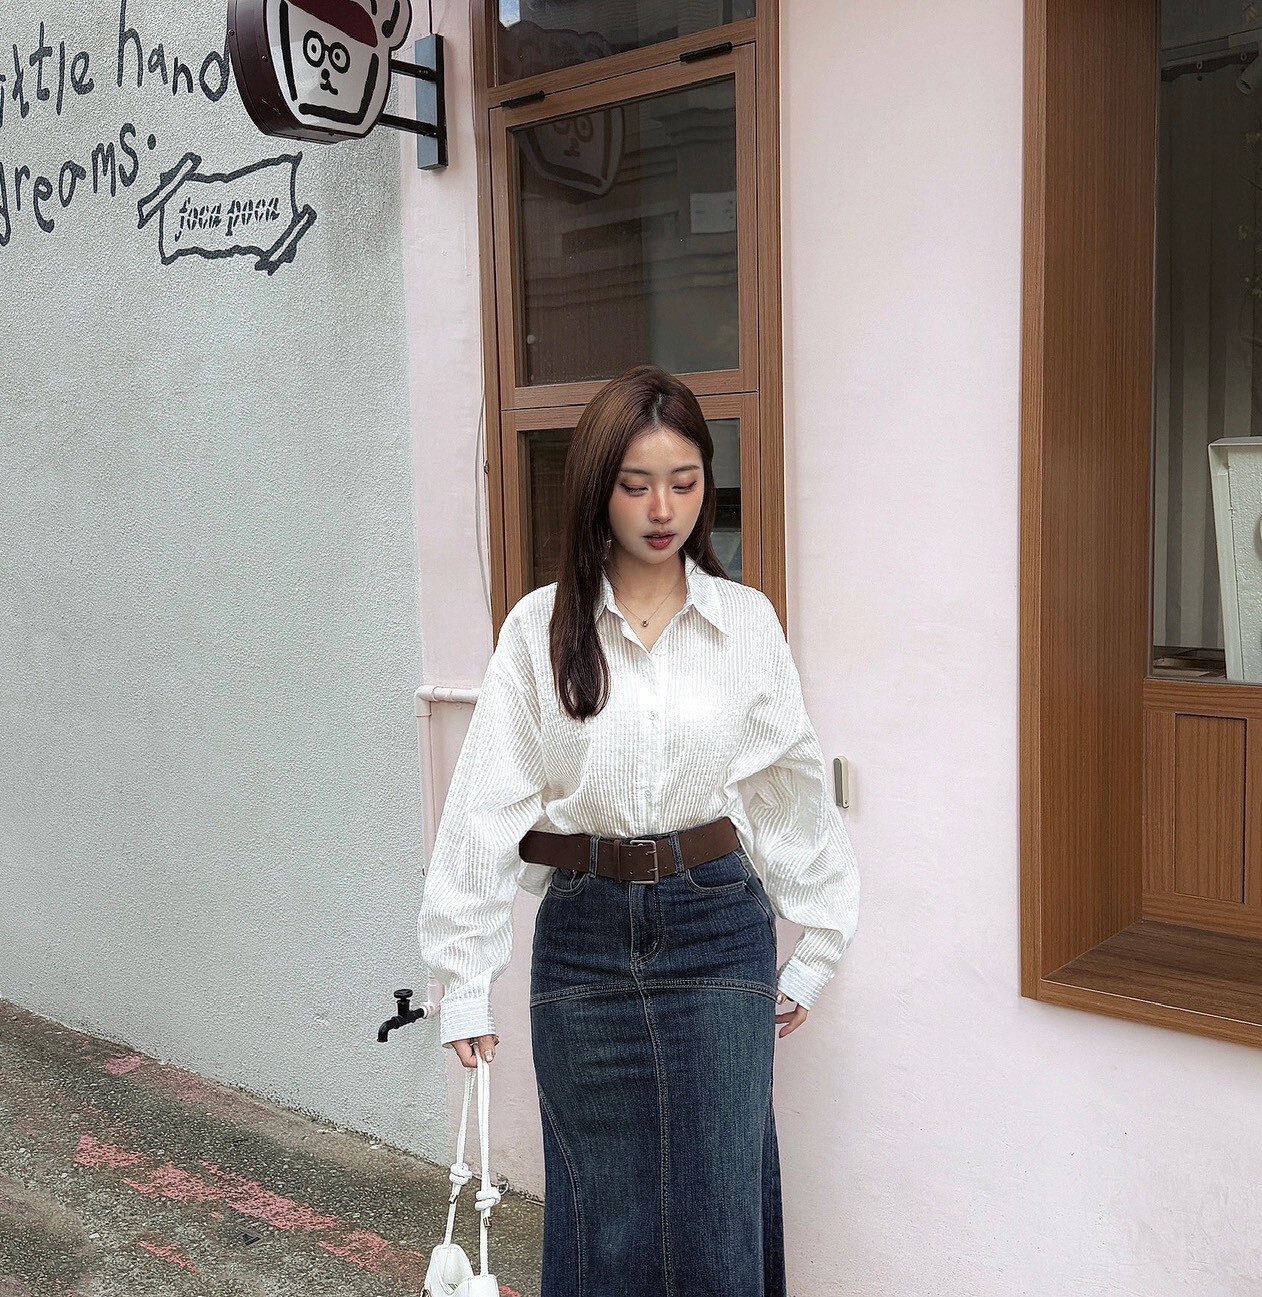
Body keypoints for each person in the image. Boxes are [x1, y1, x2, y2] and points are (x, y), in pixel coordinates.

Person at [416, 364, 860, 1297]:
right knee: (599, 1216)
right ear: (597, 488)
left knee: (717, 1207)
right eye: (636, 484)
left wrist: (819, 942)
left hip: (716, 928)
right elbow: (484, 804)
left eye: (685, 481)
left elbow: (789, 785)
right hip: (583, 937)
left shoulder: (746, 624)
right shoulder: (539, 629)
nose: (664, 508)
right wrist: (464, 979)